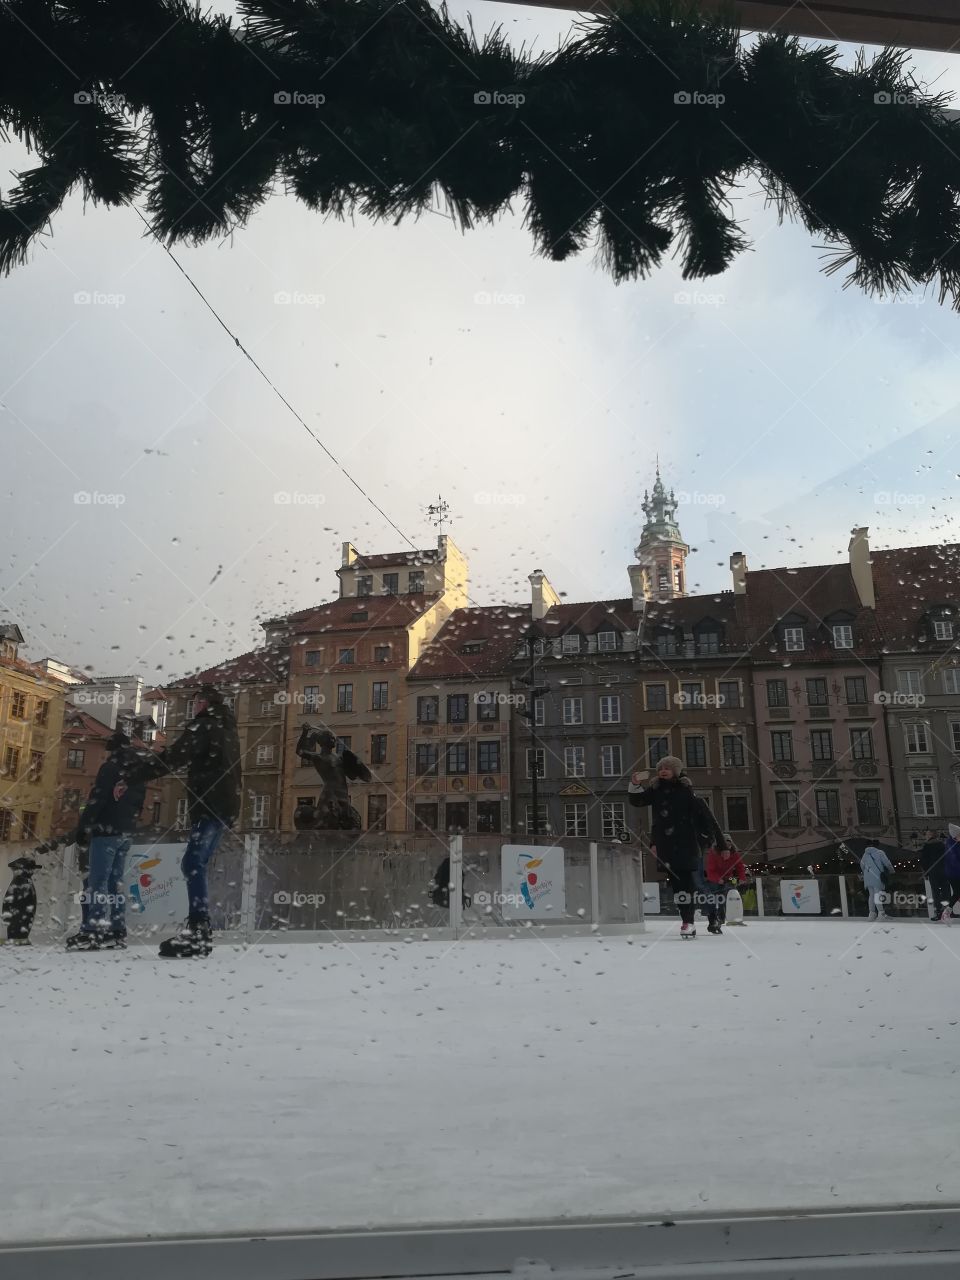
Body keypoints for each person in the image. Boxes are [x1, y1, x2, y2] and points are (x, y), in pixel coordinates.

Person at [127, 684, 242, 958]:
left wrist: (132, 775)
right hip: (224, 805)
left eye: (195, 703)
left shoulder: (203, 727)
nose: (194, 708)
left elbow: (173, 757)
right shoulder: (228, 729)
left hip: (209, 804)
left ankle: (199, 931)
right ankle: (199, 929)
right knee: (196, 862)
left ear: (202, 703)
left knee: (192, 862)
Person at [60, 731, 146, 949]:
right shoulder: (138, 772)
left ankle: (93, 931)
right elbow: (139, 804)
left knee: (98, 882)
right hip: (126, 833)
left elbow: (97, 798)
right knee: (115, 883)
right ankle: (116, 931)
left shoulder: (110, 768)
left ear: (112, 749)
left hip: (106, 831)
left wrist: (83, 827)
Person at [628, 755, 724, 939]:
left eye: (667, 768)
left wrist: (707, 839)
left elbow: (704, 817)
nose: (663, 770)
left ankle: (695, 919)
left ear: (676, 771)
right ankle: (689, 919)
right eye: (660, 768)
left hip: (687, 844)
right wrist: (634, 785)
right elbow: (637, 801)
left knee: (690, 883)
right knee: (678, 886)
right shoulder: (655, 790)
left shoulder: (686, 790)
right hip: (667, 845)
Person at [294, 725, 371, 830]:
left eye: (333, 737)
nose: (334, 739)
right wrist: (304, 732)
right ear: (322, 741)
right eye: (330, 737)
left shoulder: (339, 757)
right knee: (326, 821)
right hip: (330, 794)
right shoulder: (318, 758)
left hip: (343, 794)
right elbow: (300, 751)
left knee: (348, 822)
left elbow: (353, 773)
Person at [704, 834, 749, 934]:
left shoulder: (734, 853)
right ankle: (713, 920)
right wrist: (717, 879)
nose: (728, 846)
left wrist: (742, 878)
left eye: (729, 844)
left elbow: (740, 866)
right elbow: (710, 870)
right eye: (725, 844)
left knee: (725, 898)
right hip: (714, 879)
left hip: (727, 878)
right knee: (713, 899)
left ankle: (720, 918)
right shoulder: (713, 853)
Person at [918, 828, 948, 919]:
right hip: (944, 871)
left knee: (935, 891)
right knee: (945, 890)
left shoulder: (927, 846)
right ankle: (947, 910)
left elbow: (924, 861)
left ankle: (938, 911)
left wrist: (926, 873)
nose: (926, 836)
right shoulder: (943, 845)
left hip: (933, 872)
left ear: (931, 835)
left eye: (927, 834)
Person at [861, 844, 894, 921]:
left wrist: (866, 872)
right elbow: (887, 863)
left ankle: (871, 914)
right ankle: (881, 914)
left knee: (871, 895)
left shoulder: (865, 854)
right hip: (877, 876)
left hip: (868, 876)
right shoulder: (880, 852)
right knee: (877, 895)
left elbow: (861, 865)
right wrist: (892, 870)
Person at [942, 823, 960, 923]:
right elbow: (954, 861)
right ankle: (946, 913)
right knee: (957, 892)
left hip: (956, 873)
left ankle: (946, 913)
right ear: (955, 835)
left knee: (958, 893)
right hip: (954, 874)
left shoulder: (956, 843)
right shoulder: (951, 845)